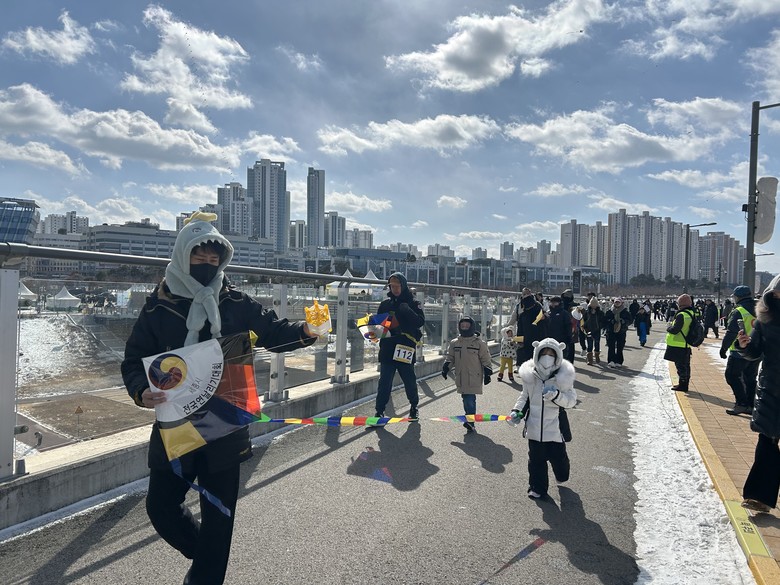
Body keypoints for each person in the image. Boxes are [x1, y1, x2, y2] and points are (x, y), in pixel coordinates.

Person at [121, 212, 320, 585]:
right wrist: (140, 389)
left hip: (226, 419)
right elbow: (133, 360)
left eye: (215, 258)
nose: (207, 265)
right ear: (183, 255)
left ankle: (206, 575)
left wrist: (306, 331)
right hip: (176, 423)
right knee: (161, 507)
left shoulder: (235, 301)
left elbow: (273, 331)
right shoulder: (158, 306)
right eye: (199, 256)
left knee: (219, 515)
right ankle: (206, 555)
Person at [507, 338, 576, 499]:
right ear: (536, 354)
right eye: (543, 353)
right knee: (536, 460)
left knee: (559, 460)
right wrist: (516, 412)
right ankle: (537, 488)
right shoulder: (530, 376)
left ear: (557, 356)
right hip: (534, 427)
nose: (547, 357)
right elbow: (525, 397)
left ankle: (562, 475)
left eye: (551, 354)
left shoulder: (563, 377)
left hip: (555, 429)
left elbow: (571, 401)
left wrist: (556, 396)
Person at [736, 275, 780, 513]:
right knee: (767, 440)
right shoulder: (765, 320)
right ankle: (758, 497)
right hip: (771, 388)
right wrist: (744, 345)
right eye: (776, 294)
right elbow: (755, 351)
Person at [374, 272, 425, 420]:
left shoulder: (413, 303)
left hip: (405, 347)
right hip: (388, 347)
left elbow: (420, 322)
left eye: (398, 286)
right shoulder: (385, 304)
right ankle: (379, 411)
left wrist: (407, 310)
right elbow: (378, 326)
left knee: (409, 380)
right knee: (384, 382)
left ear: (403, 286)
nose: (395, 289)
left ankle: (414, 406)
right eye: (392, 286)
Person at [442, 316, 493, 432]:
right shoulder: (455, 343)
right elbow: (450, 357)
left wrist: (488, 373)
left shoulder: (479, 343)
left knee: (469, 399)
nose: (464, 327)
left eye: (467, 325)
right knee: (465, 398)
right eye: (462, 326)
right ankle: (469, 419)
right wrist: (446, 368)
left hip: (474, 376)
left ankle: (470, 422)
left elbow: (486, 358)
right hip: (460, 376)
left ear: (472, 327)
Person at [720, 286, 760, 416]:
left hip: (739, 351)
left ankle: (741, 403)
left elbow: (731, 332)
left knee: (732, 376)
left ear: (737, 297)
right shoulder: (760, 309)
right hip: (755, 351)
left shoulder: (738, 311)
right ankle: (750, 404)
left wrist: (723, 348)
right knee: (750, 378)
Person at [664, 293, 695, 392]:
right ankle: (684, 383)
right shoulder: (691, 313)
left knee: (680, 366)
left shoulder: (681, 315)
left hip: (678, 344)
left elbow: (675, 330)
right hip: (685, 344)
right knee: (686, 366)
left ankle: (682, 385)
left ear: (680, 304)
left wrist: (669, 327)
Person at [603, 298, 631, 368]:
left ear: (621, 303)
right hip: (611, 331)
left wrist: (624, 322)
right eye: (616, 302)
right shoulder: (610, 311)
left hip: (621, 331)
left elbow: (630, 320)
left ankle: (619, 361)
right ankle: (611, 361)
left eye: (618, 302)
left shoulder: (625, 312)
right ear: (614, 303)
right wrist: (610, 321)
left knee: (620, 346)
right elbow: (605, 320)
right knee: (611, 346)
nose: (617, 303)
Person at [582, 296, 604, 365]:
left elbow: (603, 321)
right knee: (589, 344)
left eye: (595, 305)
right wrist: (585, 328)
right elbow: (583, 320)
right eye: (592, 305)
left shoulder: (600, 313)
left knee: (597, 344)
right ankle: (590, 359)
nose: (593, 307)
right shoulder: (587, 312)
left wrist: (599, 326)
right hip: (589, 330)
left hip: (597, 330)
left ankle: (597, 356)